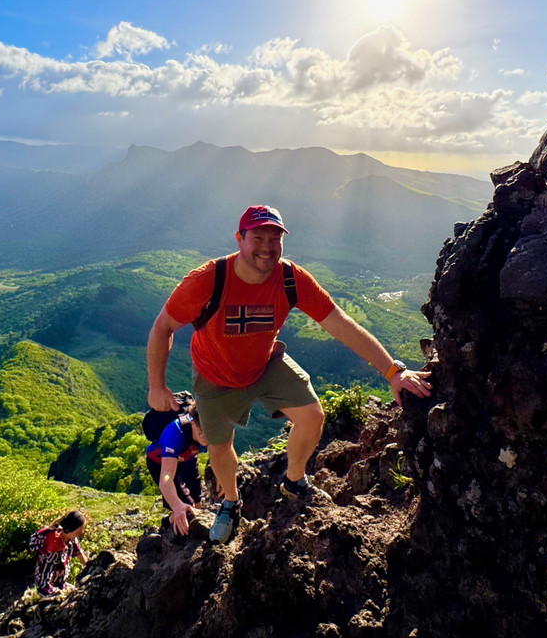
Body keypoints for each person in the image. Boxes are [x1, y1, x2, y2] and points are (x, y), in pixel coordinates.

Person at [146, 204, 432, 544]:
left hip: (265, 364)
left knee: (312, 416)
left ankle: (294, 480)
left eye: (275, 238)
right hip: (214, 376)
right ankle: (231, 503)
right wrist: (157, 386)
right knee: (221, 447)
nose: (267, 246)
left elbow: (341, 324)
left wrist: (392, 370)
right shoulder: (209, 280)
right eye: (258, 237)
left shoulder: (290, 279)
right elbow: (163, 327)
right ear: (240, 239)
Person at [145, 405, 209, 536]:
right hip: (160, 462)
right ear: (193, 424)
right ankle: (168, 526)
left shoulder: (216, 428)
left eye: (211, 434)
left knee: (198, 503)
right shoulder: (175, 434)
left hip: (188, 458)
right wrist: (176, 505)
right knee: (185, 507)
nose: (207, 440)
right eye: (202, 434)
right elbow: (166, 476)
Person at [29, 510, 89, 596]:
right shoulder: (53, 540)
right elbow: (33, 542)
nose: (82, 533)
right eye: (79, 531)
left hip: (61, 583)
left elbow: (81, 556)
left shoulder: (71, 540)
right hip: (45, 585)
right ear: (69, 530)